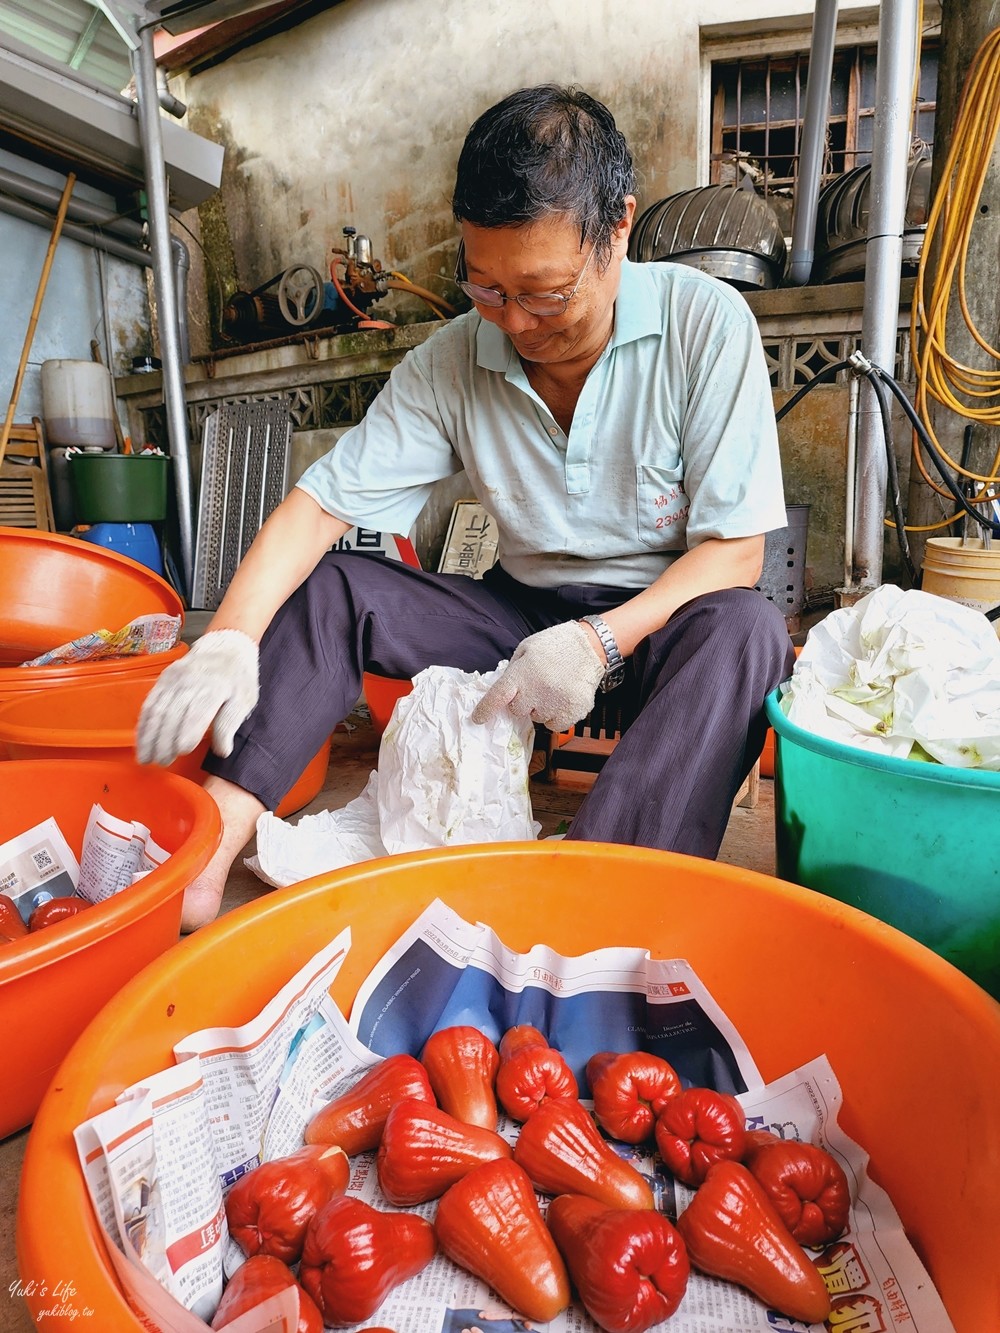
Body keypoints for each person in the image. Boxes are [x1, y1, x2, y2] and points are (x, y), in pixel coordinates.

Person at [137, 84, 795, 932]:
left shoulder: (707, 325)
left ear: (618, 229)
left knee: (749, 630)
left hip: (663, 620)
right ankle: (213, 843)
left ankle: (592, 909)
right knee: (340, 586)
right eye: (487, 289)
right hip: (519, 617)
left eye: (546, 293)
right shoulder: (452, 360)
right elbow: (319, 506)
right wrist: (226, 639)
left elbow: (738, 551)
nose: (517, 322)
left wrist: (599, 639)